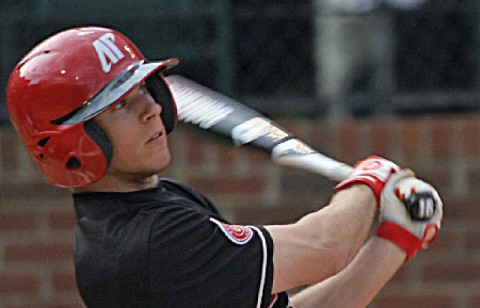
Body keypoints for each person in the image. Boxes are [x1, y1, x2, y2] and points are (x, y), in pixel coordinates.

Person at [6, 26, 442, 307]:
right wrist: (372, 178)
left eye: (145, 90)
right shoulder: (149, 244)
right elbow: (326, 247)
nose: (152, 110)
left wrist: (395, 240)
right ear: (74, 143)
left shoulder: (155, 207)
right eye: (121, 104)